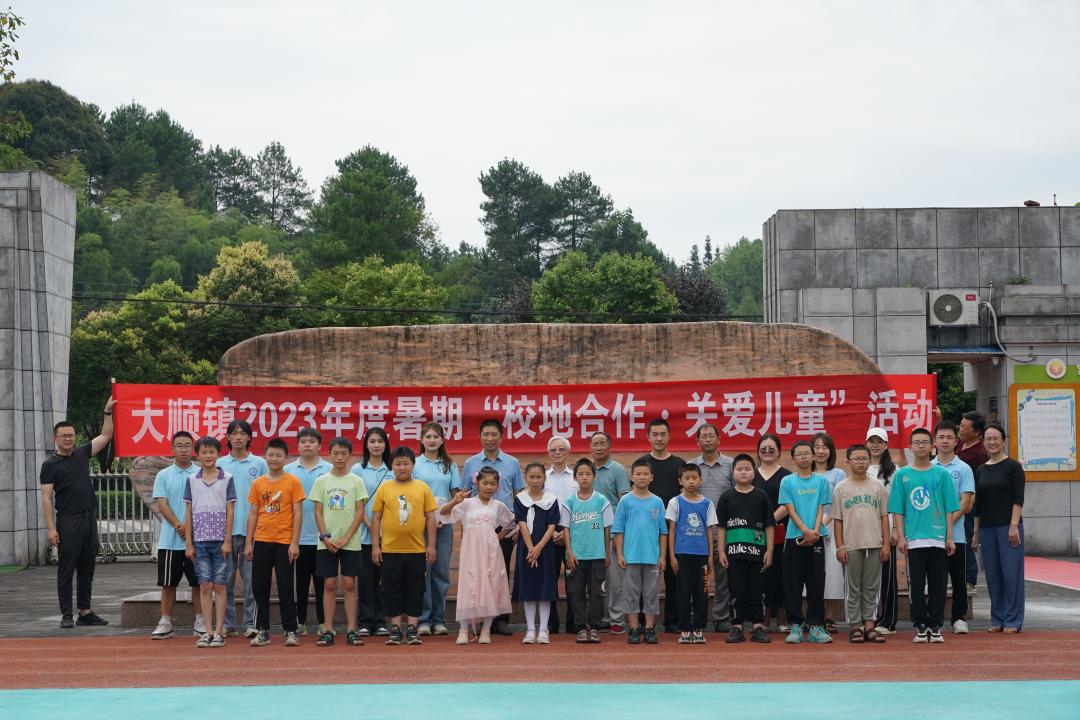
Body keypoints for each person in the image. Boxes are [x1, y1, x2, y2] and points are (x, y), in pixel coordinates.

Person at [40, 395, 116, 628]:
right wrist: (51, 528)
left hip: (88, 517)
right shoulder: (49, 464)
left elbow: (106, 435)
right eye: (64, 436)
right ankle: (66, 614)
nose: (68, 439)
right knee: (67, 568)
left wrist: (107, 412)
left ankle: (85, 611)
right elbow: (46, 497)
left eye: (71, 435)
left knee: (87, 567)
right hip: (68, 520)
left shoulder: (82, 453)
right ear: (55, 439)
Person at [889, 428, 959, 644]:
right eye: (916, 442)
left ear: (932, 446)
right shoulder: (902, 475)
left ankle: (935, 624)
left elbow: (949, 508)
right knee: (916, 585)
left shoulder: (942, 474)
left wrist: (949, 537)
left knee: (938, 584)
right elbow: (897, 510)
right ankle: (919, 623)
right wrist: (901, 536)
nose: (921, 446)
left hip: (938, 538)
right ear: (910, 447)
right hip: (914, 539)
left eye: (925, 442)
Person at [460, 419, 525, 635]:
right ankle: (477, 617)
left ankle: (500, 619)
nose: (490, 438)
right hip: (478, 527)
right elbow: (464, 497)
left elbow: (519, 495)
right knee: (476, 572)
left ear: (501, 437)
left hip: (503, 523)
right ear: (480, 437)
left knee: (500, 571)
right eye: (486, 434)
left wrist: (517, 527)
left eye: (494, 434)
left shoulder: (512, 463)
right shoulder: (470, 463)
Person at [370, 446, 437, 646]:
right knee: (392, 590)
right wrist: (375, 546)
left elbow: (431, 517)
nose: (401, 467)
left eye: (405, 463)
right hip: (390, 550)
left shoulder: (422, 488)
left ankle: (413, 629)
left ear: (413, 465)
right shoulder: (385, 488)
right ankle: (396, 630)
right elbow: (376, 518)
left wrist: (431, 546)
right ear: (391, 466)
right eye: (397, 464)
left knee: (415, 590)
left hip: (416, 550)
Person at [440, 468, 513, 645]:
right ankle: (463, 630)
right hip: (471, 552)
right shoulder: (466, 503)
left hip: (491, 552)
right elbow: (444, 514)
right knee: (469, 585)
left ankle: (486, 630)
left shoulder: (498, 506)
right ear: (477, 483)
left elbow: (511, 523)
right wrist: (455, 501)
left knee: (491, 585)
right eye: (485, 483)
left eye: (493, 483)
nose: (489, 487)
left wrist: (498, 536)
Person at [245, 437, 305, 647]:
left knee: (286, 587)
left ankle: (291, 630)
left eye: (278, 455)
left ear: (285, 457)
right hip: (261, 540)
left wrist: (294, 543)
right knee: (259, 587)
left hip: (284, 542)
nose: (274, 458)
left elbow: (298, 514)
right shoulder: (258, 483)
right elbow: (253, 514)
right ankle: (263, 630)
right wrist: (249, 543)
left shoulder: (292, 482)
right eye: (270, 454)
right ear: (265, 456)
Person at [311, 437, 368, 647]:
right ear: (329, 454)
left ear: (350, 455)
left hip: (351, 542)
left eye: (344, 453)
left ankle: (352, 629)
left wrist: (346, 537)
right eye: (336, 453)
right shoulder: (321, 481)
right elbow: (317, 511)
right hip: (326, 542)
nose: (340, 457)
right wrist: (325, 537)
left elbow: (360, 512)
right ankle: (328, 629)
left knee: (350, 584)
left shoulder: (356, 481)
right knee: (329, 584)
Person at [831, 444, 889, 643]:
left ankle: (870, 625)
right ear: (848, 461)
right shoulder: (841, 488)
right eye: (856, 458)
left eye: (864, 458)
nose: (861, 462)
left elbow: (883, 516)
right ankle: (855, 625)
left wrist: (886, 544)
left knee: (872, 586)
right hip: (851, 544)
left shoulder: (877, 486)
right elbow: (837, 520)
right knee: (853, 587)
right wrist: (840, 546)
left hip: (874, 542)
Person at [183, 436, 237, 648]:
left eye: (212, 452)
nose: (208, 456)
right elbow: (188, 512)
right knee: (205, 584)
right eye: (204, 452)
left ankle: (219, 631)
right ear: (198, 454)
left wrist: (227, 540)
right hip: (200, 542)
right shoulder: (191, 480)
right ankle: (206, 630)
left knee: (220, 586)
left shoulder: (227, 478)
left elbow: (230, 511)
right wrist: (189, 543)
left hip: (220, 542)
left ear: (218, 454)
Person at [217, 419, 269, 638]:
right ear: (228, 437)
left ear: (249, 438)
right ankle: (227, 623)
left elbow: (267, 498)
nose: (238, 437)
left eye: (242, 433)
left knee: (250, 582)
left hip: (252, 532)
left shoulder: (260, 464)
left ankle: (250, 623)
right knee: (225, 580)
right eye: (234, 433)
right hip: (224, 532)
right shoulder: (219, 464)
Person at [973, 423, 1025, 634]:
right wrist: (976, 532)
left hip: (1008, 527)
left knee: (1011, 575)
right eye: (988, 438)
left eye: (996, 438)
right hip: (987, 529)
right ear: (983, 442)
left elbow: (1018, 499)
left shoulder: (1013, 467)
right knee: (993, 576)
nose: (992, 442)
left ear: (1003, 440)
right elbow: (978, 505)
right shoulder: (981, 470)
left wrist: (1014, 526)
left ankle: (1012, 620)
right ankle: (998, 618)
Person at [150, 431, 203, 639]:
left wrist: (189, 528)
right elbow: (162, 504)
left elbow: (204, 505)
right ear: (172, 449)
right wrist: (179, 525)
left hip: (197, 540)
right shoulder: (163, 475)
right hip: (170, 541)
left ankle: (200, 621)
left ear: (193, 449)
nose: (183, 449)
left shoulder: (201, 474)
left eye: (187, 445)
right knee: (168, 583)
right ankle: (165, 622)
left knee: (198, 582)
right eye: (179, 445)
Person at [717, 453, 774, 644]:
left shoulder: (761, 496)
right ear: (732, 473)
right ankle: (737, 626)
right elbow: (722, 527)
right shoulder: (726, 497)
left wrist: (770, 550)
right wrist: (722, 551)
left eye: (747, 468)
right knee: (737, 589)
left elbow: (769, 525)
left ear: (754, 473)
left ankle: (758, 626)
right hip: (734, 553)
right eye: (739, 469)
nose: (743, 472)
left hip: (758, 553)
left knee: (757, 589)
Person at [635, 418, 685, 633]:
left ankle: (672, 622)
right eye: (654, 434)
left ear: (669, 436)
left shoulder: (679, 464)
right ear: (648, 437)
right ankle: (639, 624)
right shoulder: (642, 464)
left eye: (662, 434)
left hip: (673, 529)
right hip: (646, 531)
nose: (659, 438)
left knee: (673, 577)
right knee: (641, 579)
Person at [780, 440, 832, 644]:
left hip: (816, 538)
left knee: (816, 584)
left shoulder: (821, 482)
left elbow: (821, 508)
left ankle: (816, 627)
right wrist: (804, 531)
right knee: (793, 584)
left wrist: (815, 532)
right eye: (798, 454)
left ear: (813, 456)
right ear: (793, 458)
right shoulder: (787, 482)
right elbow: (790, 509)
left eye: (806, 453)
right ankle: (795, 625)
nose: (803, 457)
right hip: (794, 537)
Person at [612, 459, 668, 645]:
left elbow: (663, 531)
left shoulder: (657, 501)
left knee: (651, 593)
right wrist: (620, 553)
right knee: (631, 593)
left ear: (651, 477)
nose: (642, 477)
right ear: (631, 476)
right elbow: (618, 530)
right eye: (638, 474)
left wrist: (662, 556)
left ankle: (650, 628)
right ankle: (634, 628)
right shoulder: (625, 501)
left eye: (645, 474)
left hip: (652, 557)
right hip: (630, 557)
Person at [413, 422, 461, 637]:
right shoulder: (414, 464)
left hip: (444, 525)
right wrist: (427, 517)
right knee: (423, 571)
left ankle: (439, 620)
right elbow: (410, 493)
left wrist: (443, 515)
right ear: (421, 440)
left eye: (436, 436)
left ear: (442, 440)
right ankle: (423, 619)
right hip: (419, 525)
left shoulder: (449, 464)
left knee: (441, 571)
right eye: (428, 436)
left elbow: (456, 495)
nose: (432, 440)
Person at [284, 427, 332, 636]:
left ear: (320, 446)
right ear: (298, 445)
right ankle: (299, 622)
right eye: (303, 441)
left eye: (312, 441)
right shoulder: (289, 470)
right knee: (300, 585)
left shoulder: (329, 469)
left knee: (323, 584)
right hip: (298, 537)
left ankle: (324, 622)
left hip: (324, 538)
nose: (307, 445)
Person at [687, 424, 734, 634]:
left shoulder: (731, 466)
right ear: (697, 442)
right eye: (703, 437)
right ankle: (698, 617)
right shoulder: (690, 468)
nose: (707, 439)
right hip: (695, 533)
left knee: (723, 577)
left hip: (724, 532)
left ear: (719, 439)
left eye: (711, 436)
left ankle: (722, 617)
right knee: (698, 578)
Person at [931, 420, 976, 634]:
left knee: (959, 579)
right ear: (935, 441)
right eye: (941, 437)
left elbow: (965, 503)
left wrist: (946, 524)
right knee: (936, 581)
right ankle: (935, 619)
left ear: (955, 440)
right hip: (931, 535)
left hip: (957, 535)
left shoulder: (964, 468)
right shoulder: (927, 468)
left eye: (949, 437)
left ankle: (959, 618)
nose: (945, 441)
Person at [562, 459, 613, 644]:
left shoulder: (601, 500)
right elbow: (566, 529)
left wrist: (607, 553)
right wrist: (569, 552)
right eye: (581, 474)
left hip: (597, 555)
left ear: (594, 476)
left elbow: (607, 528)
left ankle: (595, 627)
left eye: (588, 474)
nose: (584, 478)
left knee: (597, 593)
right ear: (575, 477)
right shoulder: (570, 501)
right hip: (576, 557)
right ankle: (581, 627)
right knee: (576, 593)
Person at [665, 463, 717, 644]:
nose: (691, 481)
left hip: (702, 555)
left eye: (694, 478)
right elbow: (671, 529)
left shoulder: (707, 503)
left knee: (702, 592)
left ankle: (699, 628)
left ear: (700, 479)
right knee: (683, 592)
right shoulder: (675, 502)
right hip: (681, 555)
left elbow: (710, 530)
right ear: (680, 481)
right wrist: (671, 555)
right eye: (687, 478)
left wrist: (710, 555)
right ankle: (685, 629)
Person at [350, 426, 393, 636]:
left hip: (390, 535)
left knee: (385, 580)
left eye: (380, 441)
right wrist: (371, 525)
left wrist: (385, 529)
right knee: (366, 580)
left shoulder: (393, 469)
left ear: (386, 444)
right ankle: (365, 621)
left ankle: (382, 620)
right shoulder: (358, 470)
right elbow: (356, 503)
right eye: (372, 441)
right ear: (366, 444)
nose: (376, 445)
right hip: (365, 533)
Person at [513, 462, 561, 644]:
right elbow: (522, 525)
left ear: (544, 478)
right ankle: (530, 629)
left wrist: (539, 547)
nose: (535, 481)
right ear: (526, 478)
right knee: (529, 588)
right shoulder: (520, 499)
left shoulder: (551, 500)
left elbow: (552, 526)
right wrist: (531, 548)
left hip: (546, 549)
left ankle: (543, 630)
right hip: (526, 550)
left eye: (538, 477)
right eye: (531, 477)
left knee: (545, 588)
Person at [590, 431, 630, 635]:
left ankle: (616, 619)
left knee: (615, 579)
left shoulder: (618, 470)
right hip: (590, 533)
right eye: (595, 443)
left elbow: (624, 505)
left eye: (602, 443)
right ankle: (599, 619)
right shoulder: (586, 470)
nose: (598, 447)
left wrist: (619, 534)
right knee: (596, 579)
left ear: (610, 446)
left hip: (613, 533)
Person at [752, 434, 791, 633]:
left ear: (779, 451)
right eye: (763, 448)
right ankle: (764, 617)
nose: (767, 451)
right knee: (761, 575)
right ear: (758, 451)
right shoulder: (752, 474)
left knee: (780, 573)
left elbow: (788, 503)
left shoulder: (786, 475)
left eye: (772, 448)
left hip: (781, 531)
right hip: (755, 533)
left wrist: (770, 521)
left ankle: (782, 617)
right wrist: (760, 525)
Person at [811, 432, 847, 633]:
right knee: (811, 572)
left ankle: (829, 617)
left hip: (832, 526)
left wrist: (825, 523)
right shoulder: (806, 473)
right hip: (809, 527)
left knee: (832, 572)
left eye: (825, 447)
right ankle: (813, 615)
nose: (821, 451)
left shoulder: (838, 474)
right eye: (816, 446)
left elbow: (838, 502)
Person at [866, 427, 900, 636]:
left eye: (879, 441)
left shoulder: (893, 470)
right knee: (867, 575)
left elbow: (896, 502)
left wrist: (896, 528)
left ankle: (888, 620)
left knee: (887, 575)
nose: (875, 445)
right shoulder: (861, 467)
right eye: (872, 441)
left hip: (885, 526)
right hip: (864, 527)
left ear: (886, 445)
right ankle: (867, 618)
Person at [544, 435, 577, 634]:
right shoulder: (543, 478)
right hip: (548, 533)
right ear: (548, 453)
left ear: (567, 452)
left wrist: (565, 531)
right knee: (550, 578)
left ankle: (574, 622)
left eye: (561, 449)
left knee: (574, 579)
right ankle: (551, 623)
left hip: (573, 533)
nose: (557, 453)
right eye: (553, 450)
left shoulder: (575, 477)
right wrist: (554, 531)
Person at [958, 411, 989, 589]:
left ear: (977, 432)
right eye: (961, 426)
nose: (961, 430)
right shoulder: (960, 444)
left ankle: (970, 579)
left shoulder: (980, 453)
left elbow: (980, 482)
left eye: (964, 427)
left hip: (969, 504)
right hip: (954, 502)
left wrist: (970, 502)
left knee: (967, 540)